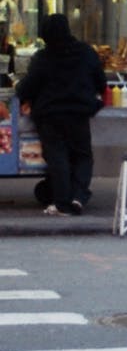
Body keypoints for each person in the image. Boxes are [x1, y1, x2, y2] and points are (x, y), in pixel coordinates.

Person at [16, 12, 106, 216]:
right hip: (79, 113)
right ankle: (78, 197)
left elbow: (26, 88)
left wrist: (21, 91)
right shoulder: (86, 53)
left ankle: (62, 202)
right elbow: (101, 82)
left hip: (50, 116)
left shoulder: (43, 58)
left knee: (58, 157)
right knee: (83, 156)